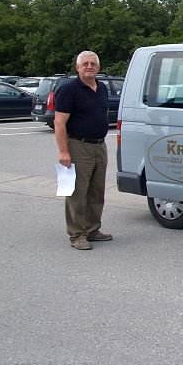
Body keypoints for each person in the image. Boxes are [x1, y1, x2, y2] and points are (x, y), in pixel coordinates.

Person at [54, 51, 111, 250]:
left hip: (99, 145)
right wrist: (63, 151)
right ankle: (77, 235)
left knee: (97, 192)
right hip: (78, 145)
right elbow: (59, 122)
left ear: (98, 67)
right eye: (85, 63)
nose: (89, 66)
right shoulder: (69, 89)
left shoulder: (101, 88)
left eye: (93, 63)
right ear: (77, 68)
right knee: (77, 193)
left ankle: (92, 229)